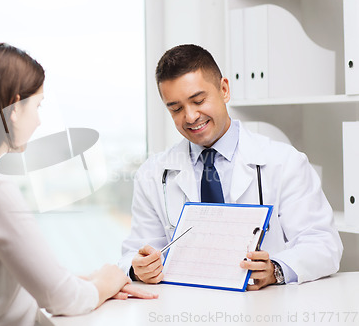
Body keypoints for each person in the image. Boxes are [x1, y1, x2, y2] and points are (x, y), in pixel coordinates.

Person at [0, 43, 157, 326]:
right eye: (37, 106)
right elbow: (62, 299)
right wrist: (109, 281)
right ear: (14, 108)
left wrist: (90, 281)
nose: (38, 121)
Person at [119, 44, 343, 290]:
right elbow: (137, 251)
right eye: (176, 108)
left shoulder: (284, 161)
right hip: (184, 308)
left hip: (263, 310)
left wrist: (275, 270)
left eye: (198, 100)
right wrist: (138, 269)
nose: (190, 116)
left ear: (224, 89)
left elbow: (323, 244)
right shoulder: (153, 174)